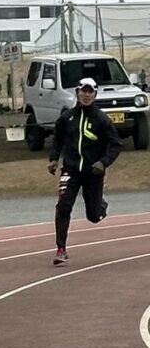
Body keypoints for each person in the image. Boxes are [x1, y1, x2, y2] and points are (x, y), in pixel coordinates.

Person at [47, 77, 121, 266]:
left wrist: (103, 163)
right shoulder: (67, 118)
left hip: (93, 173)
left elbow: (115, 144)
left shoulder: (102, 119)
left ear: (95, 94)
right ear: (77, 92)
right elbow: (58, 140)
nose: (86, 95)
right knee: (63, 206)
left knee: (93, 216)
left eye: (90, 92)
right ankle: (61, 249)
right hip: (71, 171)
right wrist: (54, 159)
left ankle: (100, 206)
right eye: (83, 91)